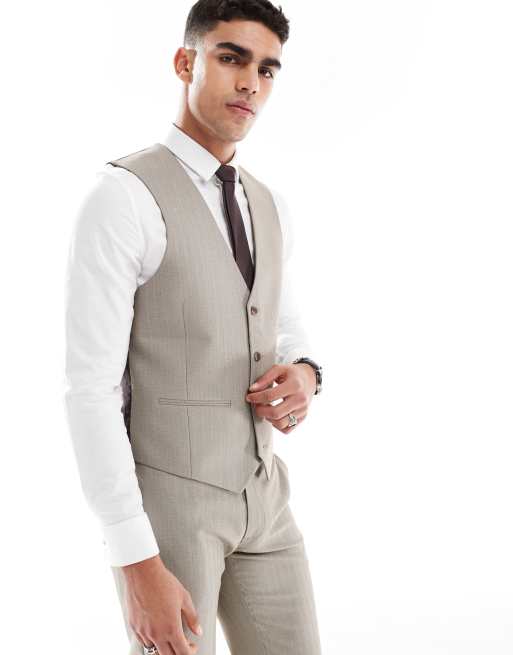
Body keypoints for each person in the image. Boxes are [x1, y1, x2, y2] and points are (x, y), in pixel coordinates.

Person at [64, 1, 324, 653]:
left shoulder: (268, 202)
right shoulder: (122, 197)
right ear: (185, 62)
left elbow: (285, 321)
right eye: (231, 58)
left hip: (265, 496)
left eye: (267, 69)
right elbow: (90, 390)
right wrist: (134, 558)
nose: (250, 84)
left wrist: (305, 372)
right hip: (171, 507)